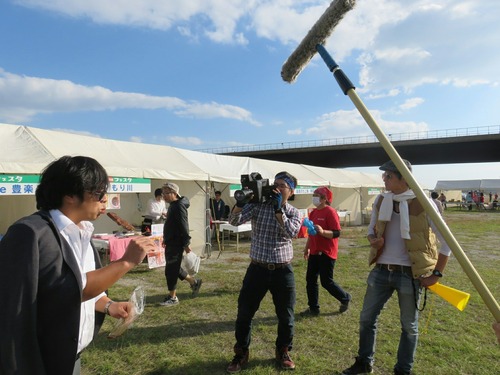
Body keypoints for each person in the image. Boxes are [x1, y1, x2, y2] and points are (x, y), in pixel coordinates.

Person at [0, 155, 155, 375]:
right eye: (99, 193)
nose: (104, 200)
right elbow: (69, 290)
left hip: (70, 353)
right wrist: (126, 261)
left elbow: (81, 285)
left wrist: (108, 304)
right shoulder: (31, 233)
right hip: (39, 359)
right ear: (70, 194)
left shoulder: (81, 231)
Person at [342, 159, 451, 375]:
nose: (384, 179)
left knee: (409, 327)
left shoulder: (424, 203)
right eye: (384, 175)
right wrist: (373, 238)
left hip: (410, 275)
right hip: (381, 271)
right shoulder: (382, 200)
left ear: (405, 178)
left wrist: (437, 274)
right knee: (366, 318)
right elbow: (371, 229)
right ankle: (364, 363)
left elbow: (448, 242)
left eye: (388, 175)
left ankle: (403, 370)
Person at [226, 171, 301, 373]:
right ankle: (241, 352)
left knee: (286, 316)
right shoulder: (258, 205)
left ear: (291, 191)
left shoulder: (295, 212)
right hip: (257, 268)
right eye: (273, 184)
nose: (275, 189)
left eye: (281, 186)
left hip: (282, 270)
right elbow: (233, 221)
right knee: (244, 313)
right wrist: (241, 201)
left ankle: (283, 350)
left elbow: (292, 232)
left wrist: (279, 211)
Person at [302, 186, 351, 316]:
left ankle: (345, 297)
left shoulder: (330, 212)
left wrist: (323, 232)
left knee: (326, 281)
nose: (314, 198)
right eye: (314, 195)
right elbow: (311, 233)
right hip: (314, 251)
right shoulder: (313, 212)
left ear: (324, 199)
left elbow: (336, 233)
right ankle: (313, 308)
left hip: (327, 252)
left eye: (317, 195)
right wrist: (307, 248)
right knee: (310, 280)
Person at [160, 182, 202, 306]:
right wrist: (166, 238)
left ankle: (173, 298)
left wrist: (186, 243)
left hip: (176, 243)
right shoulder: (174, 205)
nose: (164, 196)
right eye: (163, 194)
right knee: (174, 267)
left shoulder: (178, 206)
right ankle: (194, 282)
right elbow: (173, 225)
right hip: (171, 241)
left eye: (166, 193)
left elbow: (184, 225)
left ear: (174, 193)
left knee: (171, 270)